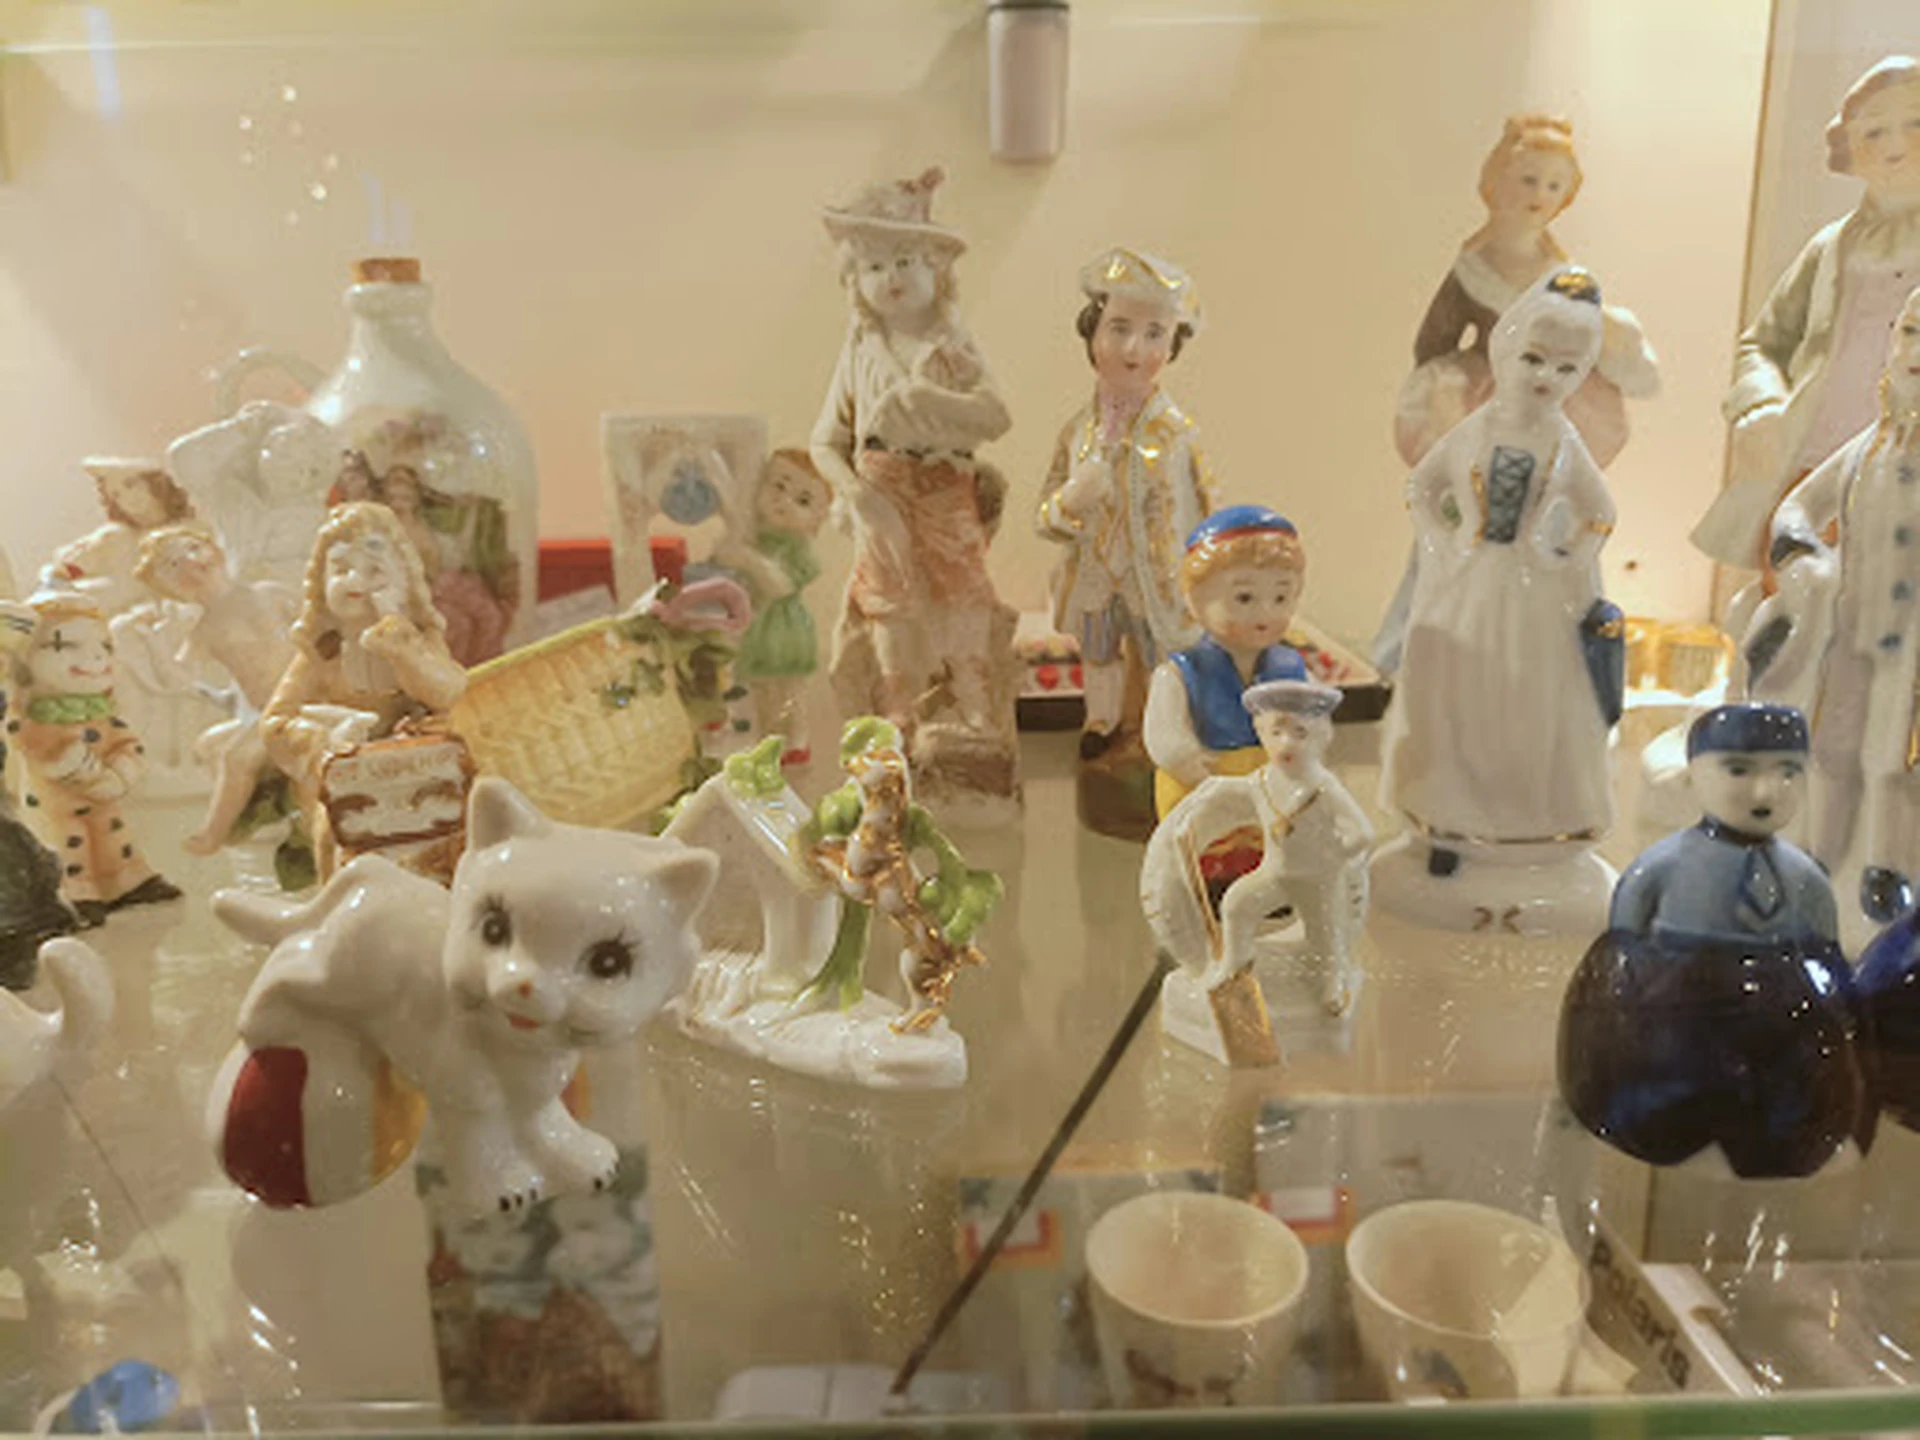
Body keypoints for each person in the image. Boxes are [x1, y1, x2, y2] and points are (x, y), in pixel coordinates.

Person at [1377, 113, 1656, 673]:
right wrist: (1449, 390)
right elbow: (1433, 341)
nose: (1539, 196)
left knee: (1546, 513)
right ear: (1497, 182)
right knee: (1466, 516)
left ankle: (1550, 649)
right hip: (1486, 403)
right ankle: (1428, 643)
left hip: (1551, 417)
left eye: (1554, 185)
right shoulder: (1474, 267)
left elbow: (1595, 507)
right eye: (1529, 180)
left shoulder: (1561, 272)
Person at [1379, 268, 1620, 879]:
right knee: (1458, 700)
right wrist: (1441, 541)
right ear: (1507, 350)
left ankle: (1522, 822)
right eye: (1535, 358)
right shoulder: (1475, 431)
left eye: (1566, 368)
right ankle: (1450, 819)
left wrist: (1569, 556)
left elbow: (1599, 512)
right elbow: (1423, 488)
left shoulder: (1563, 440)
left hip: (1535, 597)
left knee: (1525, 703)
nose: (1546, 377)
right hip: (1469, 586)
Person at [1694, 57, 1920, 605]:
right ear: (1849, 149)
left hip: (1905, 468)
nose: (1895, 146)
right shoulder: (1830, 248)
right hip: (1817, 457)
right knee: (1792, 590)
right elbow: (1762, 343)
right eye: (1874, 131)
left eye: (1915, 123)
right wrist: (1760, 403)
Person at [810, 166, 1014, 743]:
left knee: (963, 590)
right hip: (881, 484)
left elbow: (995, 416)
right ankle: (897, 705)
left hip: (945, 482)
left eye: (904, 261)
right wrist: (855, 494)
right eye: (874, 267)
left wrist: (931, 399)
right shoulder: (861, 350)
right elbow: (824, 442)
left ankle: (974, 700)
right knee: (888, 598)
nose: (891, 278)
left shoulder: (951, 346)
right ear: (854, 280)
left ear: (935, 269)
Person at [1749, 285, 1920, 925]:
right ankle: (1818, 861)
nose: (1916, 352)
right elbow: (1799, 508)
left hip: (1913, 641)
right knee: (1835, 746)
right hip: (1850, 627)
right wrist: (1801, 557)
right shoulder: (1866, 447)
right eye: (1910, 332)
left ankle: (1887, 867)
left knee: (1895, 760)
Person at [1036, 247, 1216, 758]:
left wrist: (1207, 574)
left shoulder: (1178, 436)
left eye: (1154, 333)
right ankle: (1101, 721)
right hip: (1096, 574)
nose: (1134, 349)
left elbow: (1207, 507)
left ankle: (1161, 733)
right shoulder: (1077, 433)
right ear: (1092, 333)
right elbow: (1045, 515)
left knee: (1161, 657)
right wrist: (1071, 500)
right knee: (1098, 651)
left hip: (1156, 579)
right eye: (1118, 328)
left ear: (1173, 345)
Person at [262, 502, 468, 879]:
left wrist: (399, 645)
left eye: (375, 571)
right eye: (341, 570)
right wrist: (321, 741)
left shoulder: (418, 641)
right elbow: (276, 720)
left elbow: (450, 693)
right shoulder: (320, 654)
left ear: (403, 582)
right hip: (344, 773)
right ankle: (337, 899)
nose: (356, 582)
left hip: (415, 770)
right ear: (321, 584)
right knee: (334, 828)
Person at [1148, 680, 1371, 1014]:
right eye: (1276, 732)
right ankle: (1234, 967)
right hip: (1275, 875)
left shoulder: (1324, 787)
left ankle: (1332, 983)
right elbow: (1235, 790)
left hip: (1317, 881)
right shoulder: (1262, 780)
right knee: (1236, 905)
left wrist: (1336, 858)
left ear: (1321, 736)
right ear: (1261, 734)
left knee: (1326, 934)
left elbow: (1363, 832)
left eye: (1300, 733)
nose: (1286, 743)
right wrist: (1211, 789)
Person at [1143, 507, 1308, 821]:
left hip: (1273, 790)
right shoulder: (1180, 674)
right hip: (1204, 790)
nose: (1265, 613)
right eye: (1244, 598)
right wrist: (1185, 761)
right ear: (1196, 599)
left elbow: (1315, 725)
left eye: (1280, 598)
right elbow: (1165, 736)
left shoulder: (1292, 669)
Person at [715, 449, 833, 765]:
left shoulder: (797, 548)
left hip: (786, 627)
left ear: (818, 520)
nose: (784, 500)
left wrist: (748, 560)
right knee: (759, 688)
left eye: (803, 501)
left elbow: (781, 585)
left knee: (790, 689)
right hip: (756, 625)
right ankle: (767, 738)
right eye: (778, 486)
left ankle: (797, 738)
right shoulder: (754, 536)